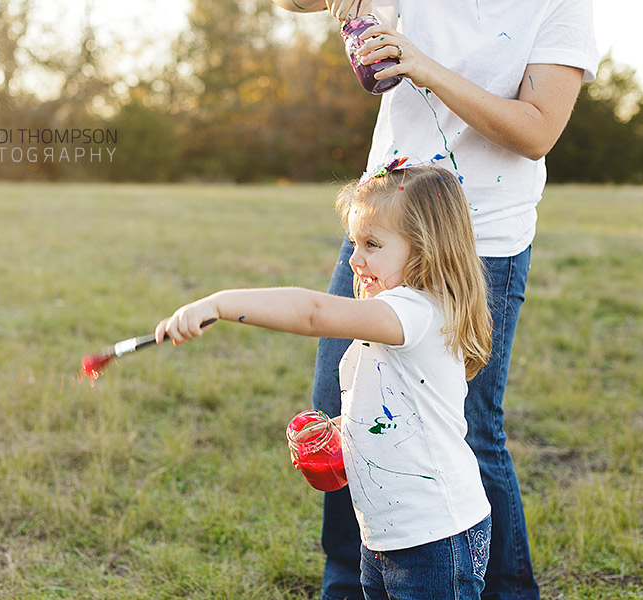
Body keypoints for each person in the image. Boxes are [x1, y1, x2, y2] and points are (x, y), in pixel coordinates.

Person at [270, 2, 600, 599]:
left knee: (470, 430)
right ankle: (350, 586)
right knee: (344, 416)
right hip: (384, 230)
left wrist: (426, 67)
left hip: (478, 245)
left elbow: (537, 130)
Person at [157, 165, 494, 600]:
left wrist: (220, 304)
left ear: (428, 249)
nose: (355, 260)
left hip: (435, 540)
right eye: (354, 242)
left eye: (372, 244)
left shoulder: (416, 311)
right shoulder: (394, 314)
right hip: (385, 534)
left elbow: (314, 313)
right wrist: (342, 430)